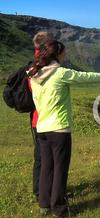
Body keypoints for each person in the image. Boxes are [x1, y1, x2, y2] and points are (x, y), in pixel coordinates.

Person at [29, 40, 100, 218]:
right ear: (57, 54)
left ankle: (44, 204)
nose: (65, 56)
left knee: (46, 166)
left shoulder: (34, 75)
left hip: (42, 129)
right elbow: (84, 77)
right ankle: (59, 209)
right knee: (60, 168)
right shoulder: (60, 73)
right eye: (63, 53)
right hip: (59, 129)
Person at [29, 31, 54, 201]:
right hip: (45, 119)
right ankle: (43, 193)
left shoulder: (33, 66)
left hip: (36, 119)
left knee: (41, 157)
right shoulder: (41, 67)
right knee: (46, 158)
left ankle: (41, 190)